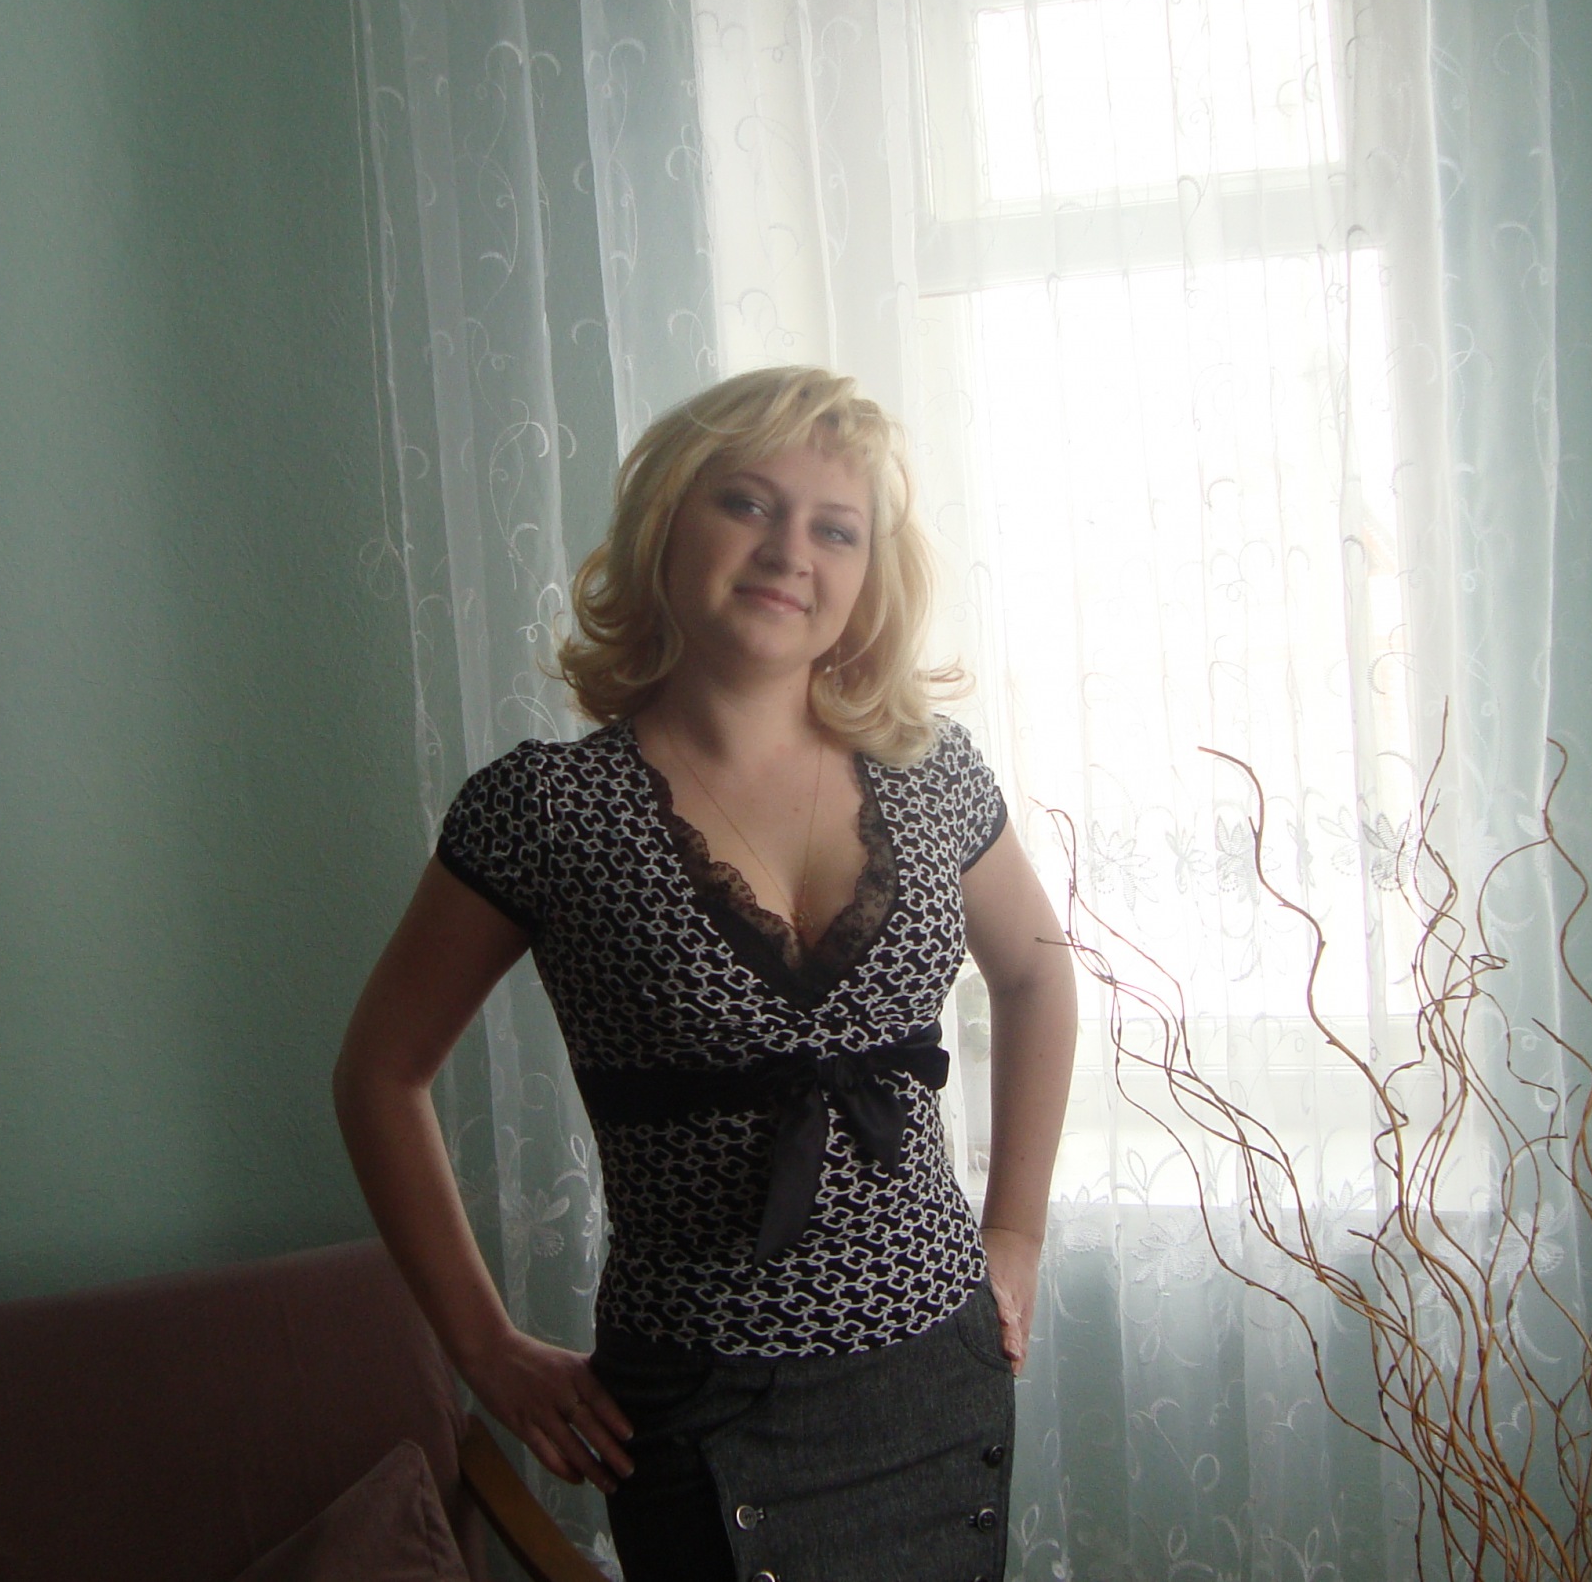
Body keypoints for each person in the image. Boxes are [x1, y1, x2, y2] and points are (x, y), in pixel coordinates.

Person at [334, 366, 1078, 1581]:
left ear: (868, 576)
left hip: (938, 1372)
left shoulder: (934, 774)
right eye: (747, 503)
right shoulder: (545, 810)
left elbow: (1040, 981)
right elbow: (379, 1074)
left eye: (835, 529)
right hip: (699, 1401)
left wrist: (1017, 1232)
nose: (790, 551)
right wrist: (484, 1348)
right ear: (665, 526)